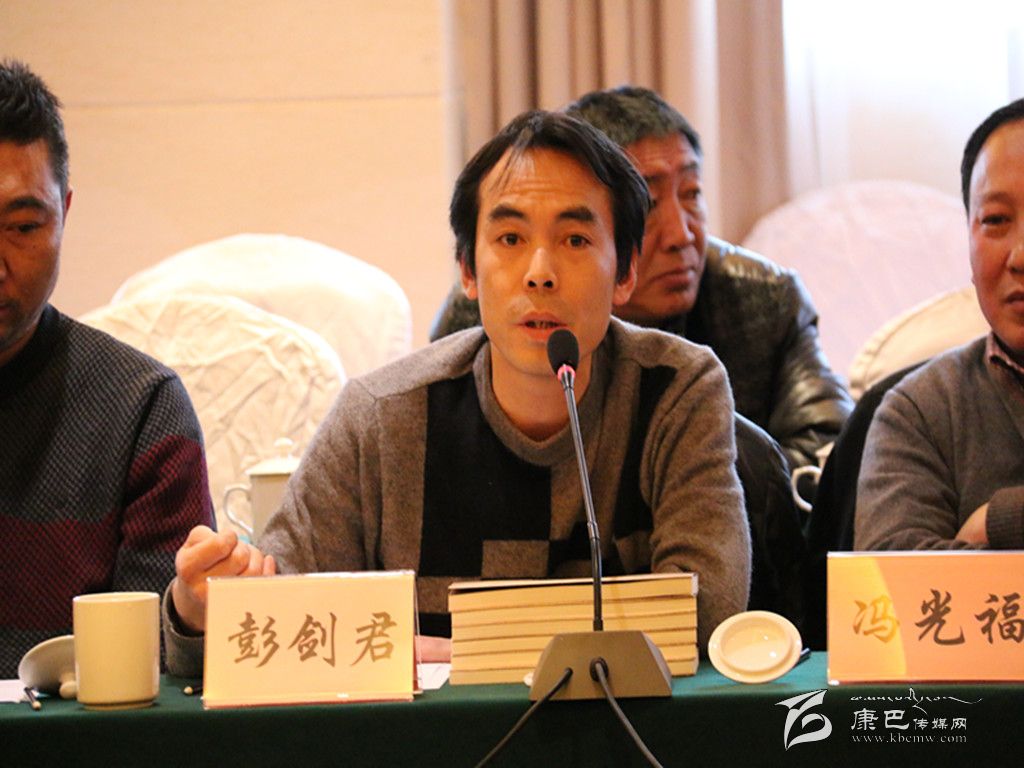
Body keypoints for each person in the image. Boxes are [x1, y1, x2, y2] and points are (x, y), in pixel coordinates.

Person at [165, 110, 751, 676]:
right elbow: (274, 624)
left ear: (625, 272)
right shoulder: (381, 416)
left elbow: (706, 613)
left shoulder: (677, 390)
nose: (539, 272)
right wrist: (196, 616)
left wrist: (447, 653)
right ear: (468, 270)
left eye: (575, 240)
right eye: (510, 237)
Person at [431, 86, 853, 472]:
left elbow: (827, 458)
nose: (681, 235)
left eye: (691, 194)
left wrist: (689, 472)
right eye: (649, 203)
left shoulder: (764, 298)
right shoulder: (490, 310)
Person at [0, 60, 215, 676]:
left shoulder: (140, 410)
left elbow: (166, 668)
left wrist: (190, 620)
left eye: (23, 227)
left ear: (64, 213)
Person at [855, 98, 1024, 551]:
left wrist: (998, 521)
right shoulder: (920, 412)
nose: (1020, 256)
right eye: (995, 220)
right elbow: (892, 579)